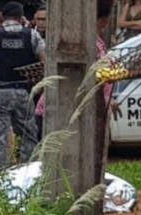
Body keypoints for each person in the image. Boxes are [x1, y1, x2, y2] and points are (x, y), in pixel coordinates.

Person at [34, 0, 121, 143]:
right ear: (105, 20)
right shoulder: (89, 45)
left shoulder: (96, 43)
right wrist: (105, 99)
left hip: (77, 114)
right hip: (65, 114)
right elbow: (85, 80)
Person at [0, 2, 45, 177]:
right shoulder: (32, 35)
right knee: (29, 134)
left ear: (3, 17)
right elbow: (44, 61)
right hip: (22, 92)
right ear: (21, 17)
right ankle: (29, 172)